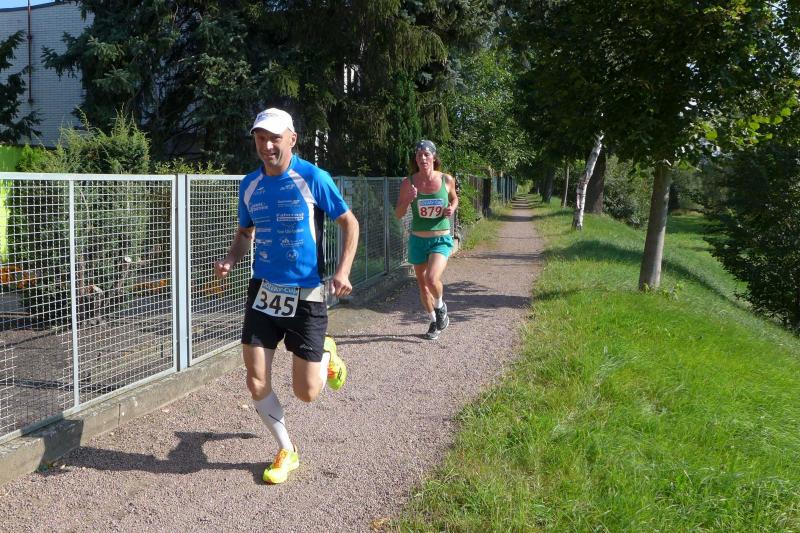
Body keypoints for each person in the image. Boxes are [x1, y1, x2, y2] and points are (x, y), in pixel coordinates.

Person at [214, 108, 359, 484]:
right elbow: (245, 233)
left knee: (306, 392)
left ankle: (326, 353)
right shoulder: (250, 185)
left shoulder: (312, 177)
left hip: (306, 294)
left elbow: (349, 222)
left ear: (292, 139)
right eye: (261, 138)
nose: (267, 145)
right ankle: (286, 449)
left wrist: (343, 271)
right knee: (255, 379)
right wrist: (231, 258)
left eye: (275, 138)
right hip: (263, 291)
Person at [394, 140, 458, 340]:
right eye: (419, 155)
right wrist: (408, 199)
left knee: (431, 278)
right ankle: (434, 322)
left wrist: (452, 208)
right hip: (418, 240)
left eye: (426, 154)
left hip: (440, 239)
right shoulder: (408, 183)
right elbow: (398, 213)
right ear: (415, 159)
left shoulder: (446, 179)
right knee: (422, 285)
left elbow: (454, 198)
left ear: (433, 157)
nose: (422, 158)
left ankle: (440, 306)